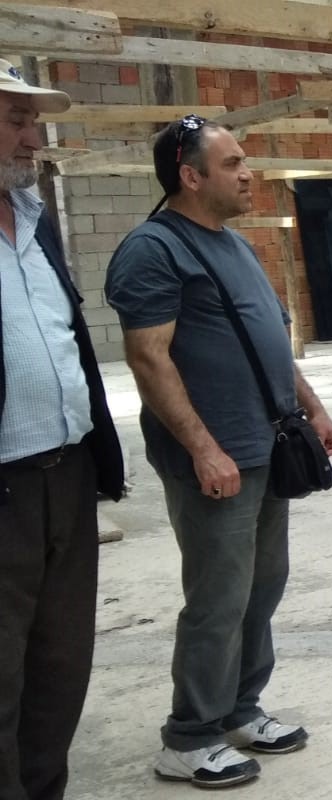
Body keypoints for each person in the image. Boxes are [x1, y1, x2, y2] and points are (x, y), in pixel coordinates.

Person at [106, 116, 332, 788]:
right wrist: (204, 449)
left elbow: (268, 337)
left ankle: (239, 708)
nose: (247, 173)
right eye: (233, 162)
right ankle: (190, 736)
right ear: (190, 175)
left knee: (262, 587)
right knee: (217, 597)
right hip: (216, 457)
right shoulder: (153, 249)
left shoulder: (233, 244)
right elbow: (149, 360)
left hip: (266, 446)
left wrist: (312, 407)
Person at [0, 60, 125, 800]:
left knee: (60, 663)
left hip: (67, 471)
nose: (33, 138)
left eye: (33, 121)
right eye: (16, 120)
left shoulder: (35, 222)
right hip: (4, 483)